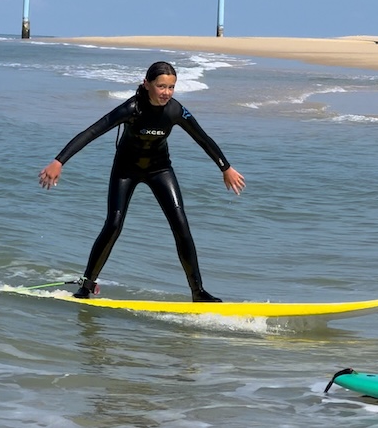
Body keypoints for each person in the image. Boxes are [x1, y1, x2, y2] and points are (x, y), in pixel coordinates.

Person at [38, 61, 245, 303]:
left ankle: (198, 292)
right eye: (161, 86)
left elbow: (203, 138)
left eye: (171, 87)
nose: (166, 92)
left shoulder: (176, 111)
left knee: (181, 226)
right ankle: (87, 285)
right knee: (114, 224)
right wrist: (59, 161)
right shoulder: (131, 109)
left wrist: (225, 167)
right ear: (147, 84)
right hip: (126, 170)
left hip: (160, 169)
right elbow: (93, 131)